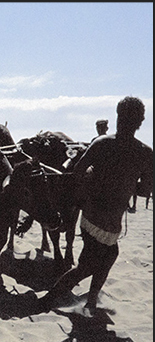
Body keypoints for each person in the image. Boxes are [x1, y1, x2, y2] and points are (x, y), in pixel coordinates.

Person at [35, 96, 153, 316]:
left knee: (101, 259)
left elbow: (76, 173)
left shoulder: (102, 144)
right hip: (110, 219)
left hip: (93, 215)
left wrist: (97, 179)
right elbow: (146, 190)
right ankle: (55, 300)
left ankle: (84, 302)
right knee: (96, 262)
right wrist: (126, 184)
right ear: (141, 122)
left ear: (117, 118)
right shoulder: (145, 153)